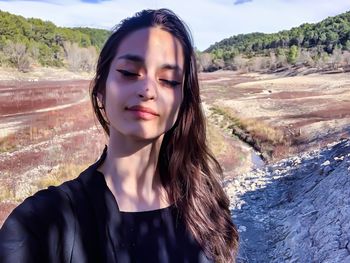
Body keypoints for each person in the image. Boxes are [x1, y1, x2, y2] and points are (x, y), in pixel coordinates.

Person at [0, 8, 238, 263]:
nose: (147, 90)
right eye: (129, 72)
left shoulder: (203, 203)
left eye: (168, 80)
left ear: (183, 102)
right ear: (101, 89)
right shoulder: (40, 224)